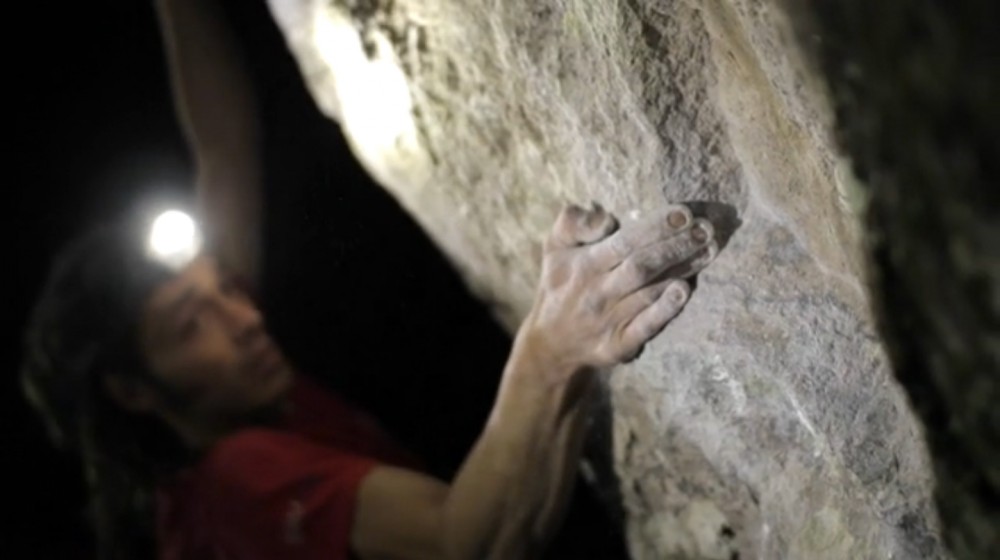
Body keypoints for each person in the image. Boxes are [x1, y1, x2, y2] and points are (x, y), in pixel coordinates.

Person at [20, 0, 719, 559]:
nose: (242, 318)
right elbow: (464, 540)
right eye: (190, 322)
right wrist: (552, 349)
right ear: (134, 390)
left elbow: (223, 151)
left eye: (222, 290)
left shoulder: (226, 407)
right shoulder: (233, 486)